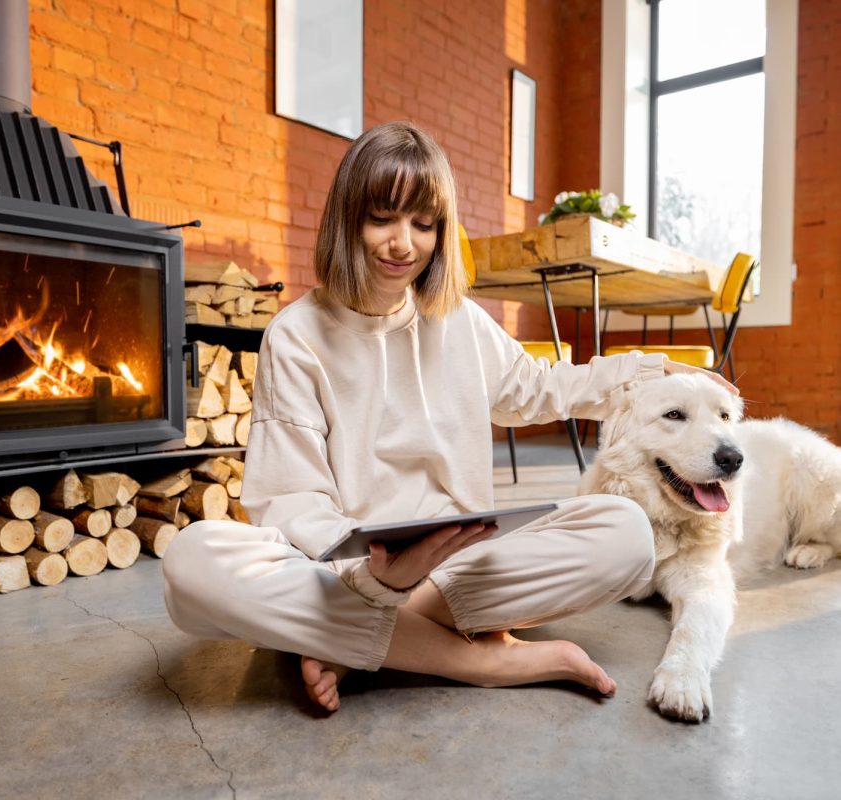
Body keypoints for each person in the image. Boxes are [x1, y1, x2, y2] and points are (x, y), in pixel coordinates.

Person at [163, 121, 739, 713]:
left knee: (624, 532)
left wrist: (652, 370)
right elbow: (292, 499)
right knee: (192, 560)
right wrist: (373, 578)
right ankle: (483, 660)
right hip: (348, 566)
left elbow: (534, 389)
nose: (403, 244)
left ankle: (353, 639)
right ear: (346, 219)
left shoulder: (455, 318)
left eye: (423, 223)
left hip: (459, 557)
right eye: (382, 218)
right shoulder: (297, 335)